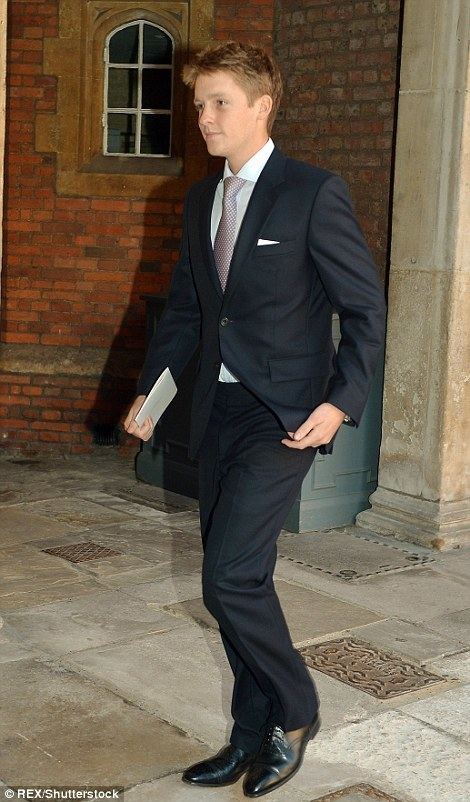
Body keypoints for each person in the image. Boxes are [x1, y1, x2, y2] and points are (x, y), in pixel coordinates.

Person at [124, 40, 387, 798]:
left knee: (228, 578)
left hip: (287, 416)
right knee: (243, 576)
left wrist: (342, 402)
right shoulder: (203, 199)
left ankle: (297, 711)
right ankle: (249, 734)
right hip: (216, 407)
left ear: (261, 107)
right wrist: (154, 393)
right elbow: (188, 311)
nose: (203, 118)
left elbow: (363, 310)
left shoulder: (313, 192)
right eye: (198, 104)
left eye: (219, 103)